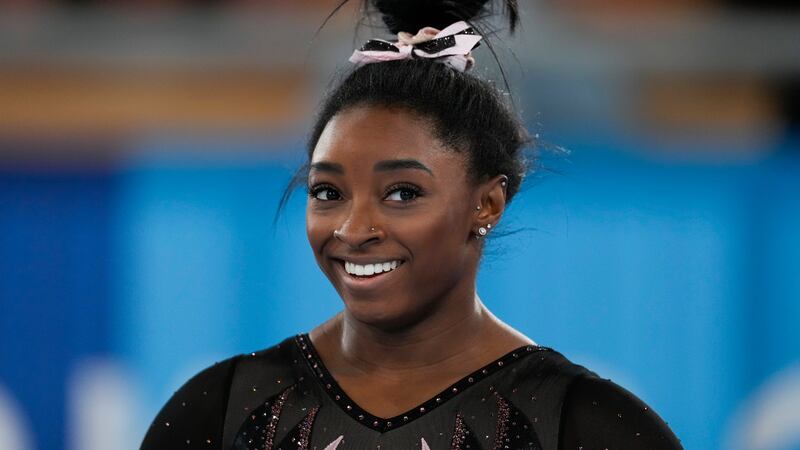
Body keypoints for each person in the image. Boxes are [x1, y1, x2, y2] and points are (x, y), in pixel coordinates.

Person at [140, 1, 683, 449]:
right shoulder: (219, 410)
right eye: (328, 192)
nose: (354, 228)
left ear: (487, 204)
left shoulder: (587, 427)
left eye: (402, 193)